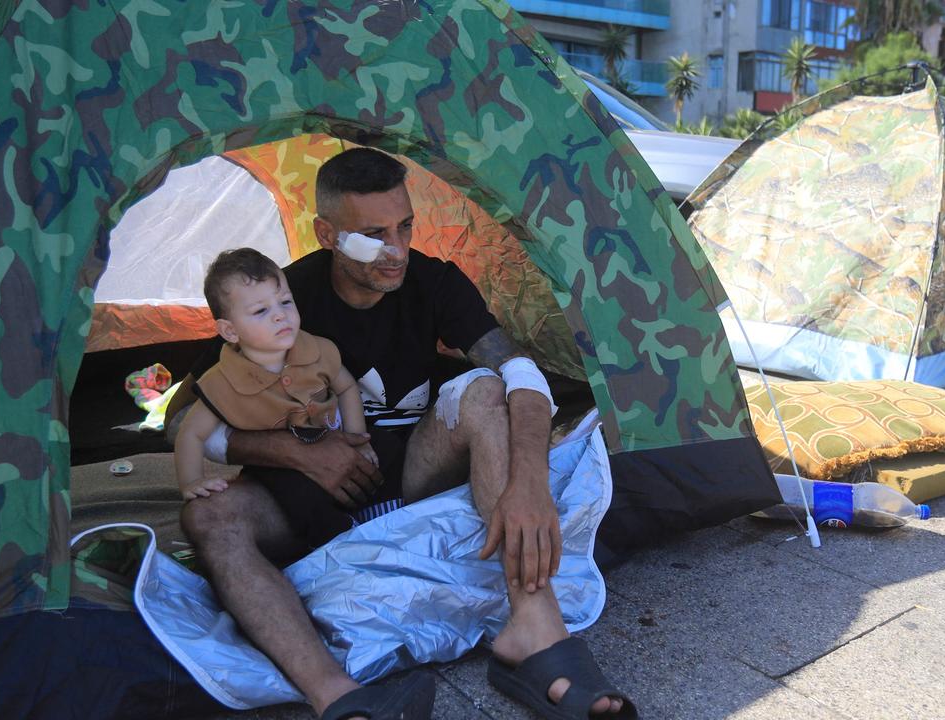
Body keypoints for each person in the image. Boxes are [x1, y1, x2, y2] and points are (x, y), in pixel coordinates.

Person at [167, 148, 636, 720]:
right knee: (209, 519)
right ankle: (340, 699)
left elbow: (522, 375)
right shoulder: (280, 302)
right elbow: (178, 417)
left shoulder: (432, 283)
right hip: (308, 496)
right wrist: (290, 452)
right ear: (327, 234)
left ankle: (532, 632)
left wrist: (531, 483)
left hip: (412, 472)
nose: (397, 250)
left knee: (487, 389)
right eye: (373, 235)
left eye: (405, 227)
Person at [173, 248, 374, 548]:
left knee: (388, 450)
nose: (280, 315)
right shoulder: (223, 380)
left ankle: (385, 514)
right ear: (229, 331)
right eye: (260, 311)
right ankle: (340, 543)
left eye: (285, 302)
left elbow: (346, 388)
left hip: (332, 438)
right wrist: (192, 481)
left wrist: (358, 436)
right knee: (299, 498)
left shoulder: (316, 349)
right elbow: (191, 432)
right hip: (280, 469)